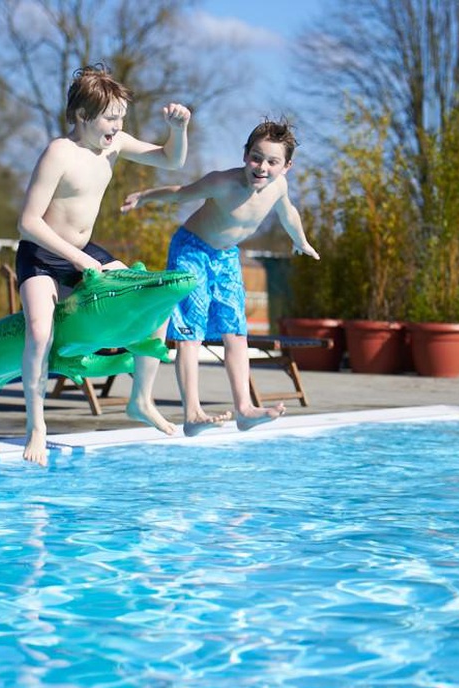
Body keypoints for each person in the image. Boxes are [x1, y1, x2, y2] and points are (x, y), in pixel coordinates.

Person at [17, 63, 191, 465]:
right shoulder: (60, 152)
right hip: (43, 255)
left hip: (84, 253)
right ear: (82, 116)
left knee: (155, 298)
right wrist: (79, 261)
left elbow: (171, 161)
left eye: (121, 118)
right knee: (40, 334)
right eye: (111, 118)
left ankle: (141, 399)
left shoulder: (113, 145)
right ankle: (37, 426)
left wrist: (178, 131)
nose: (117, 126)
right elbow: (27, 223)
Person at [120, 118, 320, 437]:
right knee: (190, 331)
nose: (262, 167)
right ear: (245, 155)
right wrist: (145, 196)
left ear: (287, 166)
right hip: (192, 250)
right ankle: (193, 412)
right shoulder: (222, 183)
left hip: (227, 256)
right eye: (256, 157)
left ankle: (244, 409)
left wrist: (301, 240)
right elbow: (180, 194)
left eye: (272, 161)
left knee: (235, 331)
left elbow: (289, 212)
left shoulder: (279, 187)